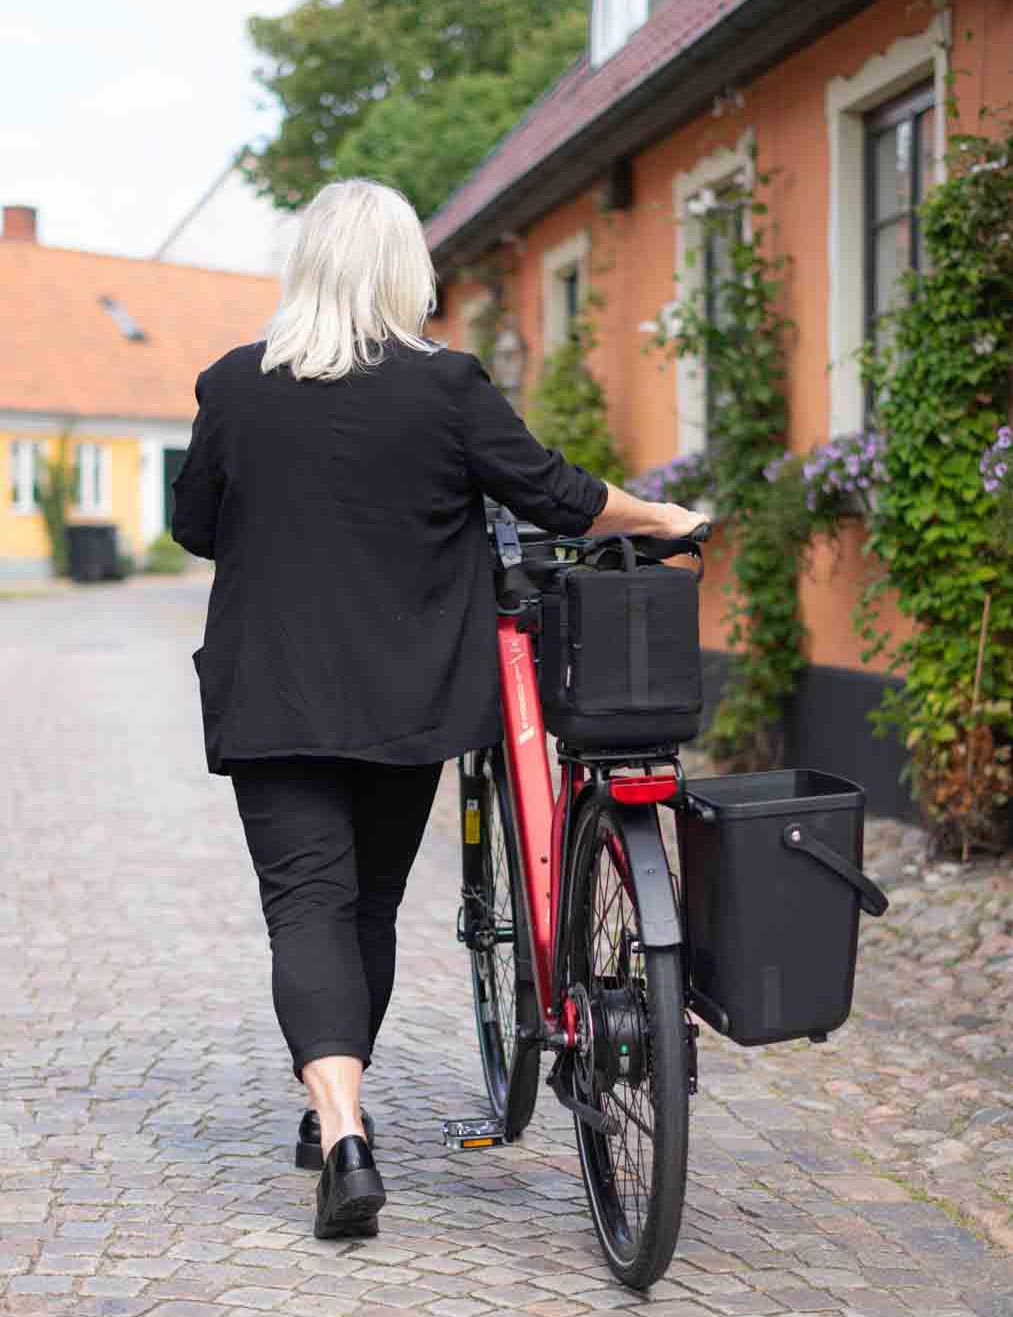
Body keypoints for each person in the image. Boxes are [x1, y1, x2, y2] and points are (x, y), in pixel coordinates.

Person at [170, 178, 707, 1240]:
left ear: (306, 271)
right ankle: (340, 1113)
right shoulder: (447, 389)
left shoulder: (234, 388)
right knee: (365, 906)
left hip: (271, 691)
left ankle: (340, 1133)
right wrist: (662, 513)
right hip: (406, 697)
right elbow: (556, 492)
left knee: (305, 906)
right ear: (406, 274)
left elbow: (196, 526)